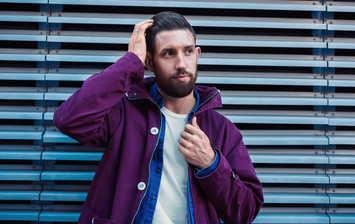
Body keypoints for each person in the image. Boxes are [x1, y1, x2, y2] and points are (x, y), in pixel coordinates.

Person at [54, 11, 263, 224]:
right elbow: (69, 120)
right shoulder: (124, 113)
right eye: (169, 54)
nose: (182, 63)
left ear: (197, 54)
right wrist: (131, 62)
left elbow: (245, 212)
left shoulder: (222, 130)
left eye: (188, 51)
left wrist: (211, 164)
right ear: (150, 63)